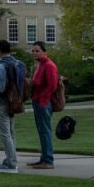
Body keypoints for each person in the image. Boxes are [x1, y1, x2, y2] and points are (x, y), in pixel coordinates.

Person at [0, 39, 20, 174]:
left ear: (0, 50)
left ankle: (11, 164)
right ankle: (12, 160)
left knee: (5, 134)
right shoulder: (17, 63)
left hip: (1, 102)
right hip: (13, 101)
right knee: (11, 133)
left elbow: (0, 88)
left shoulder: (1, 66)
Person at [29, 41, 58, 169]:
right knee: (42, 131)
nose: (35, 53)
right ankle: (43, 159)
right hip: (37, 101)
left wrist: (42, 99)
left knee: (45, 131)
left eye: (37, 50)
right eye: (33, 51)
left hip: (43, 103)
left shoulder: (49, 65)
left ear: (44, 52)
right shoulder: (40, 65)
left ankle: (48, 161)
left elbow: (52, 85)